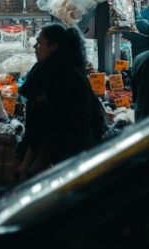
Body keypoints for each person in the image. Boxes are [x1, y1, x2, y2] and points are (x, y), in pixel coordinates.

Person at [16, 23, 104, 178]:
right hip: (58, 146)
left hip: (71, 147)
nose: (35, 47)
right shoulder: (45, 70)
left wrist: (27, 162)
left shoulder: (65, 76)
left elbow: (47, 121)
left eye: (40, 43)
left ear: (54, 47)